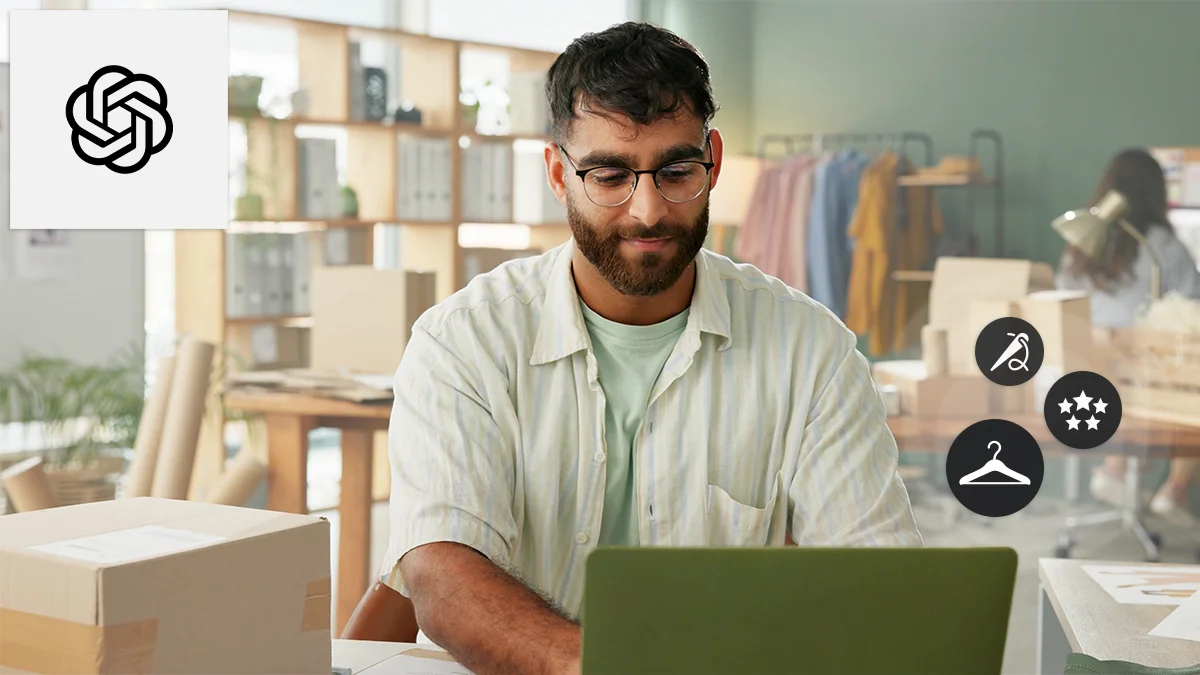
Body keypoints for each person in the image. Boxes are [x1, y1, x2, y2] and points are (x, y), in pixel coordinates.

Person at [378, 21, 923, 675]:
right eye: (609, 174)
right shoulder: (462, 342)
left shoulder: (812, 351)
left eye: (675, 170)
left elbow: (879, 583)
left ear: (712, 160)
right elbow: (441, 576)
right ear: (558, 173)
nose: (647, 210)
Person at [1057, 148, 1200, 528]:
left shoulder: (1084, 241)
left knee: (1133, 379)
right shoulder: (1162, 244)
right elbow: (1191, 307)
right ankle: (1175, 488)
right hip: (1140, 372)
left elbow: (1064, 297)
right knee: (1188, 384)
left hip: (1084, 371)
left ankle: (1115, 467)